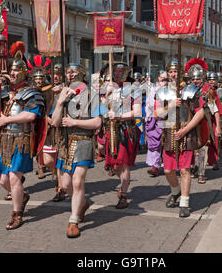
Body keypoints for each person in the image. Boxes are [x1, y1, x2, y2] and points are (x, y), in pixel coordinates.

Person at [0, 42, 45, 230]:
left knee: (14, 177)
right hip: (5, 141)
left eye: (16, 70)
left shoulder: (31, 92)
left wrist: (7, 120)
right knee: (3, 180)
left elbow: (32, 115)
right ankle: (23, 196)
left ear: (25, 72)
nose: (12, 73)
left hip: (21, 140)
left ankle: (17, 214)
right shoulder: (3, 92)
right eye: (10, 70)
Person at [52, 62, 103, 238]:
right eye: (68, 72)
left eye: (74, 72)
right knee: (65, 185)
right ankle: (81, 203)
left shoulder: (92, 95)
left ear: (81, 74)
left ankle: (73, 221)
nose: (70, 75)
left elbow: (97, 122)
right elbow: (55, 122)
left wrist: (75, 122)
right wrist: (59, 102)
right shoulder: (63, 94)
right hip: (66, 143)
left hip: (84, 142)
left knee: (77, 182)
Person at [155, 58, 208, 218]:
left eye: (176, 71)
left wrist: (185, 130)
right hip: (169, 132)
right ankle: (175, 191)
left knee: (185, 170)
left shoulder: (191, 89)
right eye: (170, 71)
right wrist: (171, 105)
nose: (173, 74)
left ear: (181, 72)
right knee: (168, 170)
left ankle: (184, 202)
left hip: (187, 133)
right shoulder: (162, 91)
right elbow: (157, 114)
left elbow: (200, 112)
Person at [103, 62, 142, 209]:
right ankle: (124, 183)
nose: (118, 74)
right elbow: (100, 109)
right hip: (110, 130)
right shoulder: (109, 87)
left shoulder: (134, 89)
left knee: (124, 164)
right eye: (116, 72)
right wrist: (107, 94)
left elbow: (137, 112)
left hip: (126, 130)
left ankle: (124, 195)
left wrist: (119, 116)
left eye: (121, 71)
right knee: (115, 165)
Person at [145, 70, 168, 177]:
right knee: (155, 143)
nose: (163, 80)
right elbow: (149, 103)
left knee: (167, 143)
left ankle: (167, 165)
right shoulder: (153, 90)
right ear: (158, 78)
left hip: (167, 119)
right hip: (156, 119)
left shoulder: (171, 89)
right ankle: (155, 166)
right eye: (161, 77)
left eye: (165, 78)